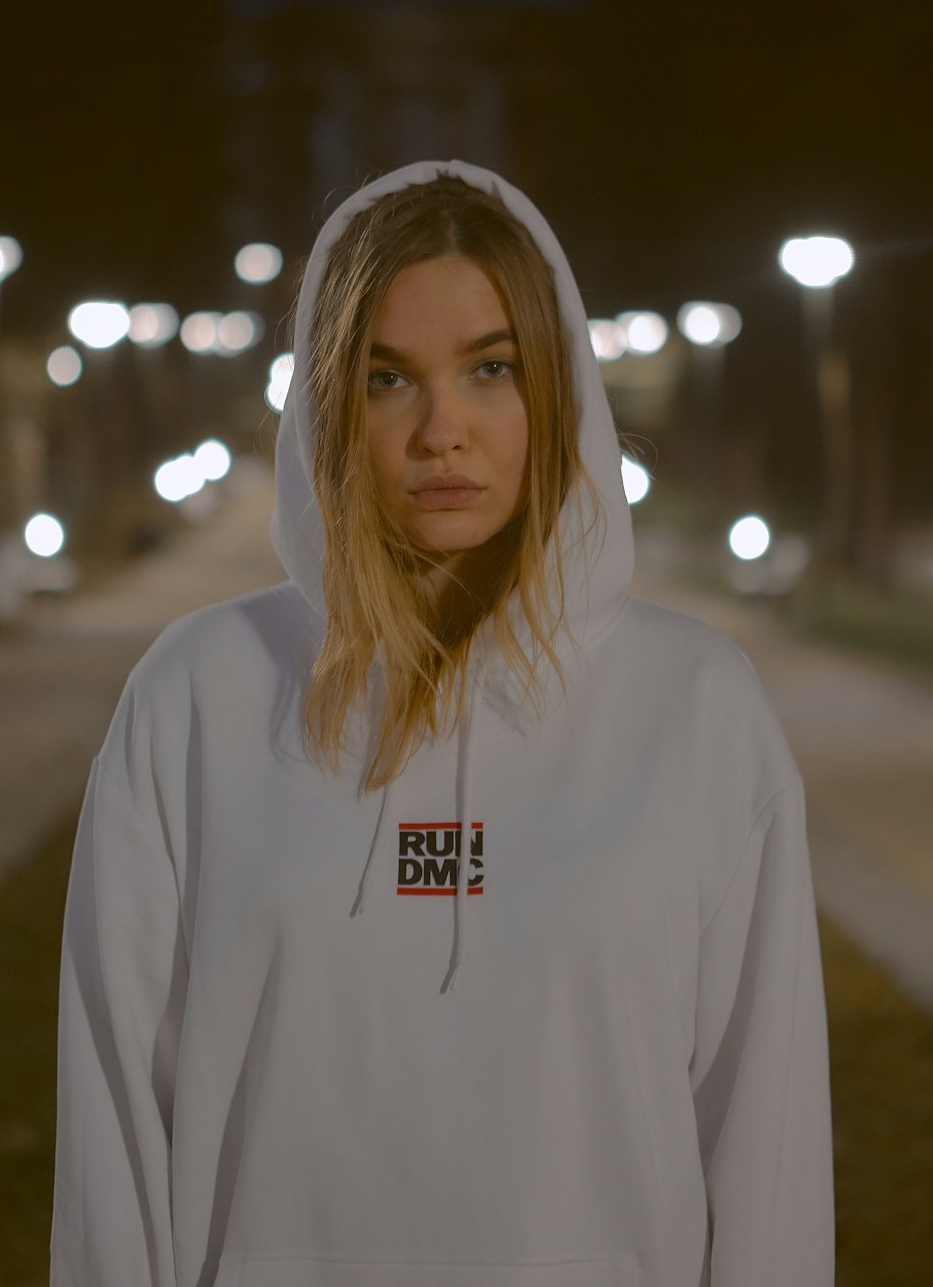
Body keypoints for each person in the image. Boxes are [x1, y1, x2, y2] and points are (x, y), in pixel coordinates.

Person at [51, 159, 834, 1287]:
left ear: (557, 388)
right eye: (385, 379)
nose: (441, 430)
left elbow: (765, 1145)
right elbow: (114, 1125)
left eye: (491, 368)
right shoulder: (199, 692)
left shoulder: (696, 708)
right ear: (327, 402)